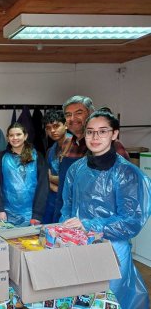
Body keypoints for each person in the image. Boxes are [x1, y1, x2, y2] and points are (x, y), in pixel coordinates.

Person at [60, 110, 150, 309]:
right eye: (90, 132)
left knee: (110, 300)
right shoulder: (77, 169)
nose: (95, 137)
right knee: (80, 299)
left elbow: (131, 221)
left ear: (114, 134)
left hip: (113, 250)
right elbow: (67, 205)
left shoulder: (128, 174)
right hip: (79, 244)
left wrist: (88, 225)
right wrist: (65, 232)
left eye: (102, 131)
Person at [53, 95, 129, 222]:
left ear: (91, 114)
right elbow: (64, 189)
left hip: (100, 225)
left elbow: (126, 192)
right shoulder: (67, 144)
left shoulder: (111, 146)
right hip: (67, 219)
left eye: (78, 113)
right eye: (68, 115)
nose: (72, 118)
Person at [0, 122, 48, 226]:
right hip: (7, 213)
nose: (15, 138)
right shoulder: (1, 158)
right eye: (11, 135)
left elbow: (43, 186)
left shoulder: (37, 157)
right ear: (8, 138)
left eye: (18, 134)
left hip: (31, 214)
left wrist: (37, 214)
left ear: (25, 136)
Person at [42, 110, 71, 224]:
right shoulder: (51, 151)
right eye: (49, 128)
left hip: (69, 202)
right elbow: (44, 176)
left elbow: (70, 181)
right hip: (53, 200)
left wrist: (51, 179)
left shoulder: (75, 148)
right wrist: (54, 185)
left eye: (56, 126)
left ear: (66, 125)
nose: (52, 130)